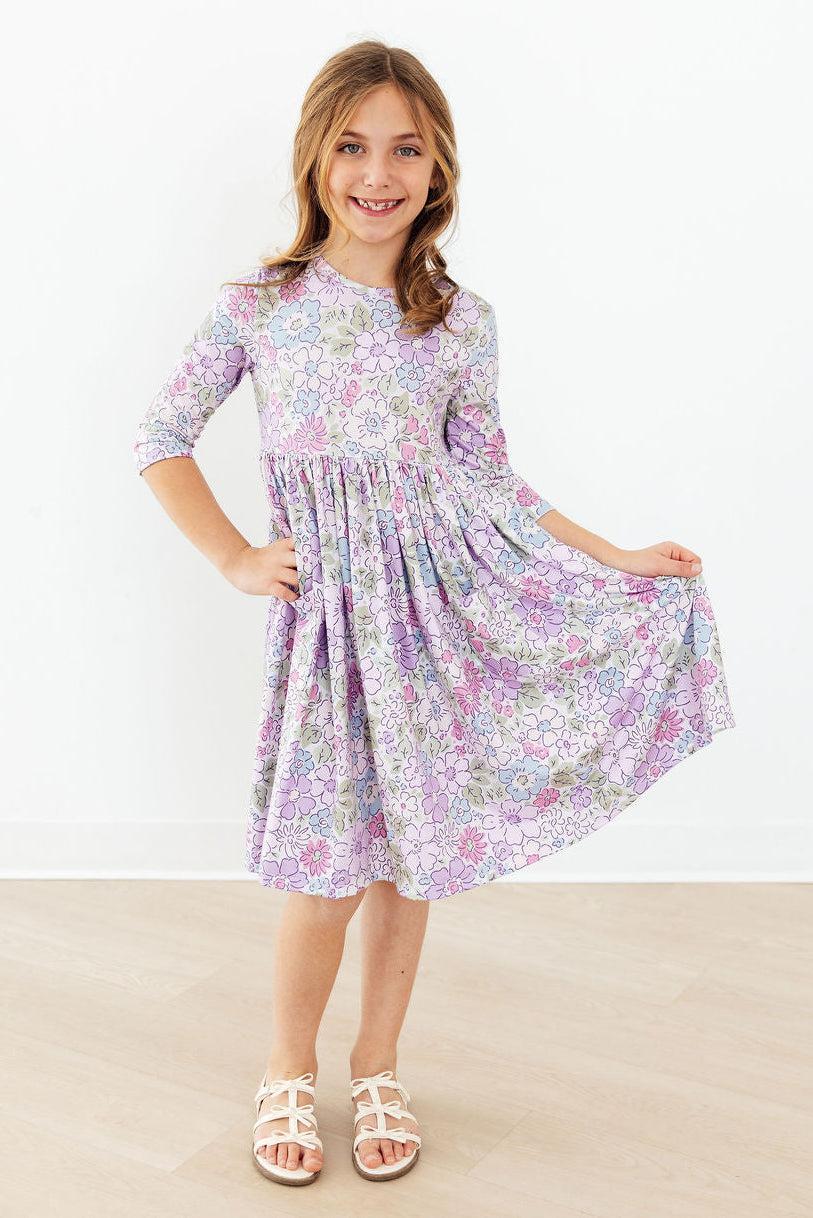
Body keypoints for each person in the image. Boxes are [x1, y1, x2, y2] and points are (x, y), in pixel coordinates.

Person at [132, 40, 735, 1188]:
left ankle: (378, 1064)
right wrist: (235, 557)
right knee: (327, 869)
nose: (378, 173)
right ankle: (287, 1066)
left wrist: (611, 555)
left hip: (433, 625)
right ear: (315, 160)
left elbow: (490, 480)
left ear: (438, 166)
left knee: (409, 863)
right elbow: (161, 438)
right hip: (329, 634)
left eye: (405, 149)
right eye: (353, 147)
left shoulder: (457, 321)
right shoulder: (262, 308)